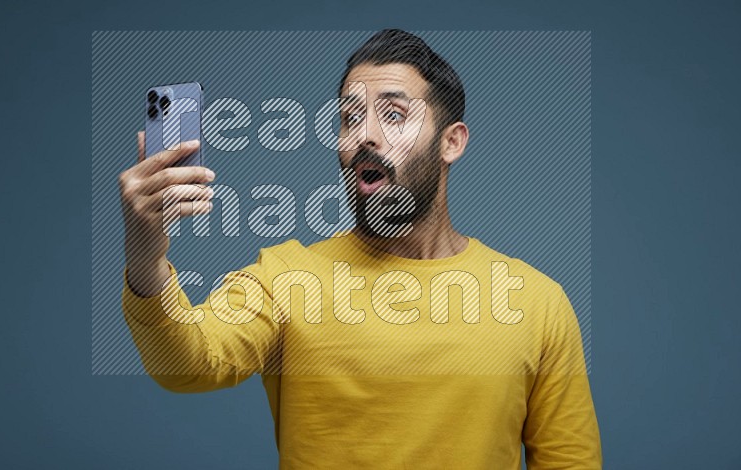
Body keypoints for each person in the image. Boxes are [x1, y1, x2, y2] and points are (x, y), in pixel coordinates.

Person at [118, 29, 602, 469]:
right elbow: (186, 363)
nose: (364, 135)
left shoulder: (537, 303)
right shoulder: (285, 277)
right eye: (350, 118)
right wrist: (146, 254)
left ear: (451, 142)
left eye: (394, 115)